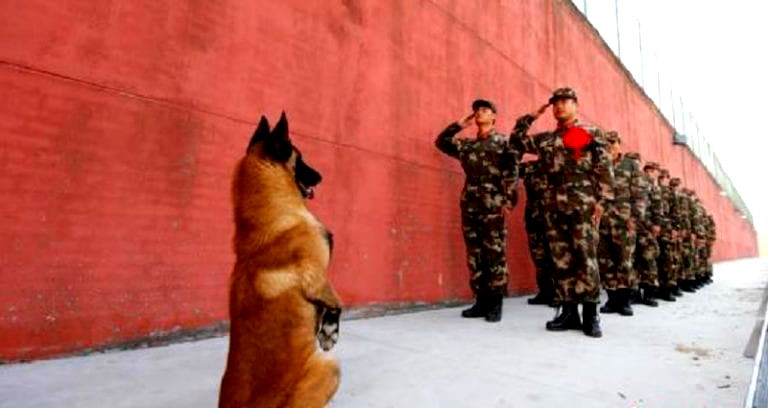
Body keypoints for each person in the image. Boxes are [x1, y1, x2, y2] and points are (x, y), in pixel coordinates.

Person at [511, 87, 615, 338]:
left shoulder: (590, 133)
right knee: (561, 260)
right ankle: (569, 313)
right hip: (553, 208)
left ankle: (591, 315)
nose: (560, 106)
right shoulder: (545, 139)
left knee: (585, 259)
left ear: (576, 105)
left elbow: (605, 169)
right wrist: (532, 115)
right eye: (556, 103)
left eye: (566, 102)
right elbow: (516, 140)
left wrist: (602, 202)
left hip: (583, 207)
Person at [435, 99, 520, 322]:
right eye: (477, 110)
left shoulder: (503, 143)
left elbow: (512, 174)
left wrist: (508, 202)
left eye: (484, 110)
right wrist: (458, 125)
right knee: (475, 254)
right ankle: (481, 301)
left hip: (493, 205)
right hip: (470, 205)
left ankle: (496, 303)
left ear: (494, 117)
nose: (479, 113)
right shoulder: (467, 146)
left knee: (495, 254)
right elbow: (442, 143)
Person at [597, 132, 646, 316]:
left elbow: (640, 193)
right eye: (606, 143)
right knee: (605, 261)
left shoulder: (630, 165)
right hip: (603, 221)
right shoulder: (600, 164)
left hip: (624, 221)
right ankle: (612, 299)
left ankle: (625, 301)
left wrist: (635, 218)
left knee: (624, 261)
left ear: (619, 144)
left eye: (612, 143)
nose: (609, 146)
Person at [521, 160, 556, 306]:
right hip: (534, 218)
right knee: (539, 257)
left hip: (554, 219)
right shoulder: (529, 167)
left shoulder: (557, 163)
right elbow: (510, 167)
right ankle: (545, 292)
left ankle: (558, 294)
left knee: (555, 257)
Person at [634, 161, 663, 306]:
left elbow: (657, 206)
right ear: (650, 170)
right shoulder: (643, 181)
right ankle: (636, 293)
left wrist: (656, 223)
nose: (657, 174)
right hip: (637, 226)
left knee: (649, 259)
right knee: (636, 260)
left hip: (647, 227)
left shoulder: (652, 184)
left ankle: (649, 294)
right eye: (656, 170)